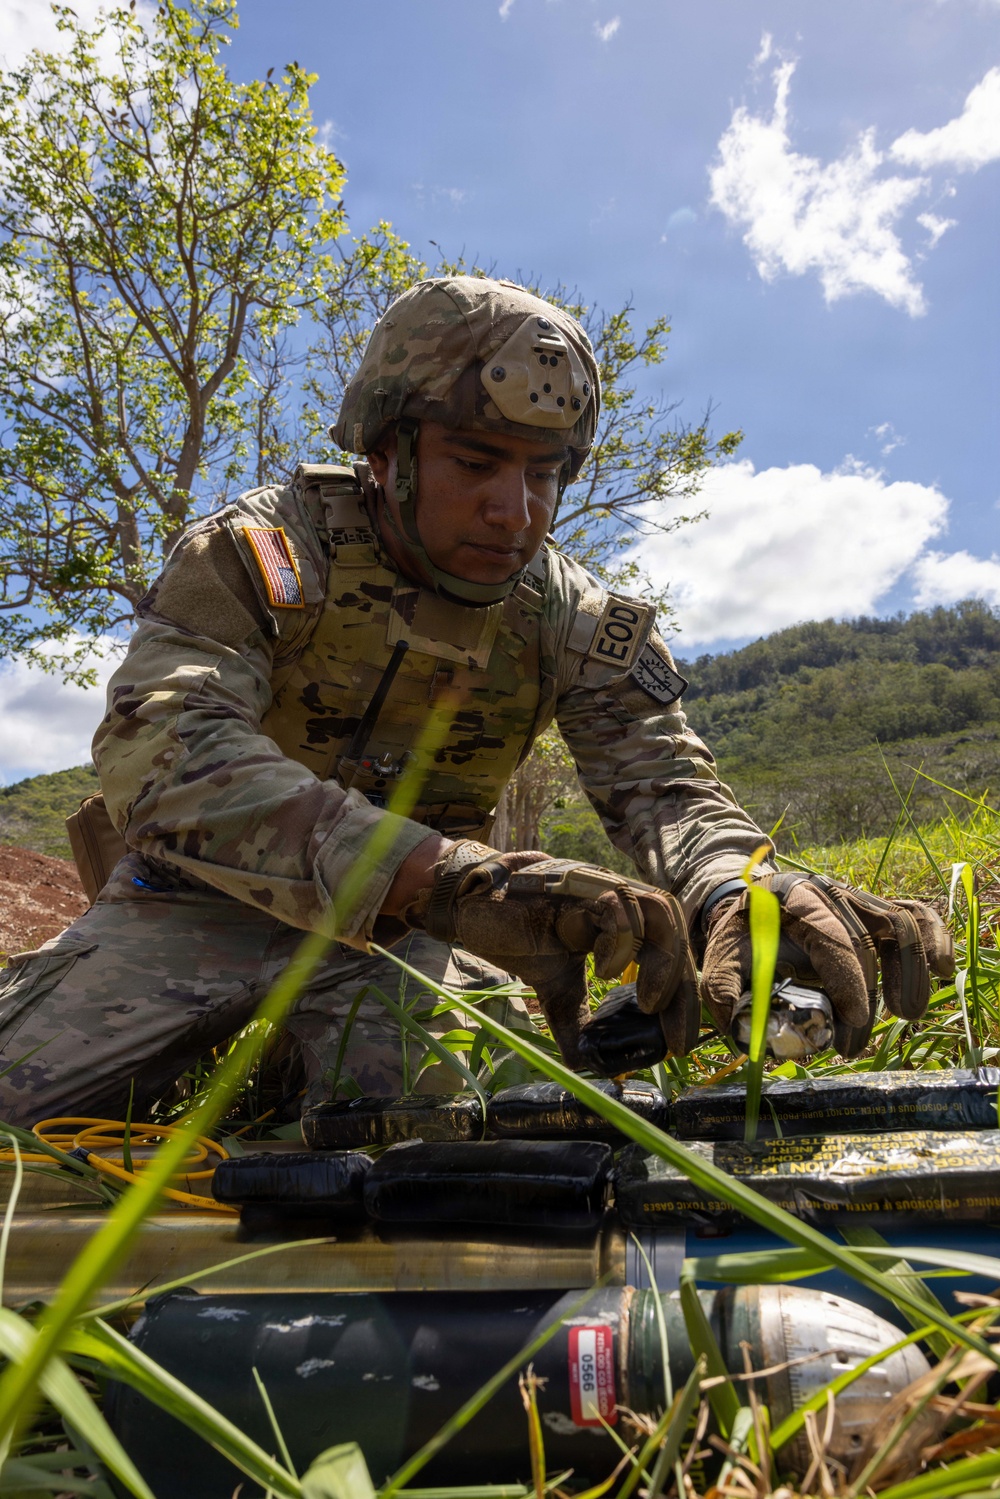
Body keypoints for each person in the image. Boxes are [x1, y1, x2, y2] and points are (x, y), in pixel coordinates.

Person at [0, 277, 952, 1127]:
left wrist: (737, 887)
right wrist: (448, 874)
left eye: (545, 473)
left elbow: (666, 785)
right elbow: (164, 746)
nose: (517, 511)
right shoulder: (262, 555)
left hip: (413, 941)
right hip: (187, 907)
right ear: (386, 452)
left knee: (467, 1135)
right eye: (476, 463)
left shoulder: (572, 618)